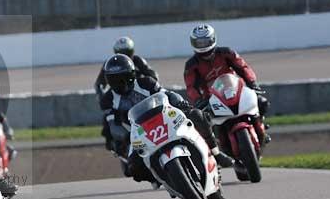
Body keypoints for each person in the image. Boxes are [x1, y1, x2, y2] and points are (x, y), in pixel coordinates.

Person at [99, 54, 235, 184]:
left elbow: (167, 94)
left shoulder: (146, 82)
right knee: (133, 168)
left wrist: (181, 104)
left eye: (122, 78)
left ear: (131, 74)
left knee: (197, 116)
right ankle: (161, 178)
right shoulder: (107, 99)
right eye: (113, 80)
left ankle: (216, 152)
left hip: (163, 117)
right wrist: (123, 136)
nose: (118, 83)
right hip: (137, 133)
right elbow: (112, 124)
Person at [183, 24, 270, 143]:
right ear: (193, 43)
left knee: (261, 101)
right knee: (202, 121)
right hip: (212, 99)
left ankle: (261, 126)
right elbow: (190, 87)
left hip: (236, 91)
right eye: (199, 43)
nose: (202, 45)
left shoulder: (227, 52)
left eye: (205, 41)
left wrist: (252, 83)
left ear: (213, 39)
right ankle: (216, 146)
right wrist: (198, 100)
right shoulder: (191, 65)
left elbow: (243, 67)